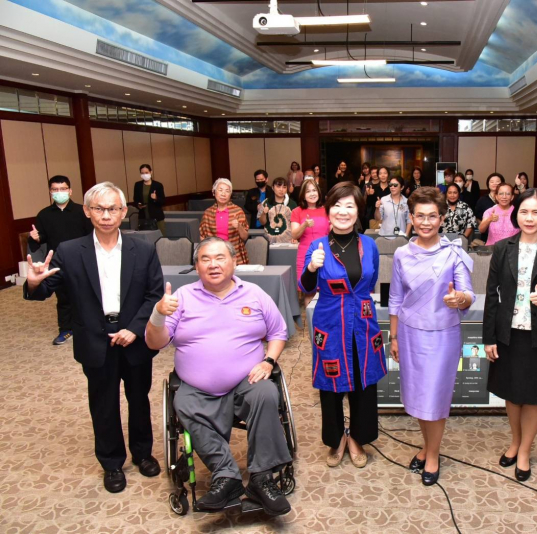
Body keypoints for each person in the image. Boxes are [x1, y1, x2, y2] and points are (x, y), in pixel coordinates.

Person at [23, 182, 163, 493]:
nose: (106, 215)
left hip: (134, 338)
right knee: (103, 403)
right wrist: (33, 283)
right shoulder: (70, 251)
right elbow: (45, 289)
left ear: (124, 212)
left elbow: (154, 295)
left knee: (139, 399)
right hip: (95, 340)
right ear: (87, 211)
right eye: (99, 208)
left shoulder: (143, 249)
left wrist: (135, 329)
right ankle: (112, 463)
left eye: (113, 208)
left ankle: (143, 453)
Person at [144, 237, 292, 515]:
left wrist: (269, 361)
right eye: (205, 259)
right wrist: (158, 315)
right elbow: (155, 343)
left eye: (220, 258)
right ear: (196, 265)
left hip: (246, 380)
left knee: (266, 393)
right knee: (183, 403)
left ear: (235, 261)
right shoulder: (183, 297)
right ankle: (227, 475)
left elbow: (278, 332)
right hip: (196, 385)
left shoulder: (255, 294)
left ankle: (261, 478)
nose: (213, 265)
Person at [389, 187, 474, 486]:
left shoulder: (453, 253)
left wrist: (459, 299)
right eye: (420, 216)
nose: (426, 222)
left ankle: (434, 454)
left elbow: (468, 293)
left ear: (442, 218)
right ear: (411, 217)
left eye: (432, 216)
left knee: (435, 398)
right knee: (417, 396)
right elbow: (396, 298)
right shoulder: (401, 254)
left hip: (442, 336)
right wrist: (394, 337)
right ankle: (426, 447)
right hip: (411, 335)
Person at [484, 188, 537, 482]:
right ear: (515, 214)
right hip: (508, 334)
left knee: (533, 397)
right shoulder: (503, 247)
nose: (529, 218)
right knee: (511, 393)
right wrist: (489, 338)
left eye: (536, 212)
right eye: (524, 211)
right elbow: (492, 296)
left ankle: (524, 450)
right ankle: (515, 441)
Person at [299, 182, 386, 469]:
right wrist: (312, 267)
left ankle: (357, 438)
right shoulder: (318, 246)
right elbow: (305, 286)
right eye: (337, 205)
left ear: (358, 210)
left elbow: (370, 282)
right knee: (331, 384)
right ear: (329, 210)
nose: (343, 211)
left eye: (349, 205)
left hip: (361, 320)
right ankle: (336, 438)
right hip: (330, 322)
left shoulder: (369, 245)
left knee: (363, 380)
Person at [28, 175, 93, 345]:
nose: (59, 192)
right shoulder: (44, 214)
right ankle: (65, 329)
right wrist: (35, 237)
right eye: (55, 190)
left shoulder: (82, 211)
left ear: (70, 191)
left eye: (63, 189)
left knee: (87, 294)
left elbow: (92, 235)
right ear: (50, 192)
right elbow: (42, 238)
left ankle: (89, 327)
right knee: (63, 297)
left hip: (83, 259)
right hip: (58, 261)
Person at [291, 180, 329, 305]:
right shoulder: (297, 211)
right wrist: (305, 225)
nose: (312, 194)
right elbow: (294, 235)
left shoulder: (327, 210)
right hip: (305, 254)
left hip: (326, 254)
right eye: (308, 191)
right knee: (309, 291)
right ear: (303, 195)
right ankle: (312, 324)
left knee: (327, 290)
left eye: (314, 190)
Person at [200, 179, 250, 265]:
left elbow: (245, 237)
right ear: (214, 192)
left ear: (230, 194)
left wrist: (239, 226)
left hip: (234, 254)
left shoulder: (237, 211)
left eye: (227, 191)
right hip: (213, 255)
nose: (223, 194)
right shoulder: (208, 213)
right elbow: (203, 237)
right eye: (220, 190)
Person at [132, 164, 166, 235]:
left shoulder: (158, 185)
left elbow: (163, 201)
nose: (144, 175)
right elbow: (135, 199)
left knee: (160, 237)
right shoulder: (138, 185)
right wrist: (138, 204)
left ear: (151, 172)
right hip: (143, 216)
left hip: (157, 216)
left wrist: (156, 198)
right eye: (142, 173)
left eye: (146, 172)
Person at [475, 173, 505, 242]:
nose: (495, 183)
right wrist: (485, 226)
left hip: (504, 236)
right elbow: (478, 217)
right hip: (487, 235)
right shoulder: (482, 200)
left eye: (497, 181)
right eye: (492, 182)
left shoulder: (505, 199)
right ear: (488, 184)